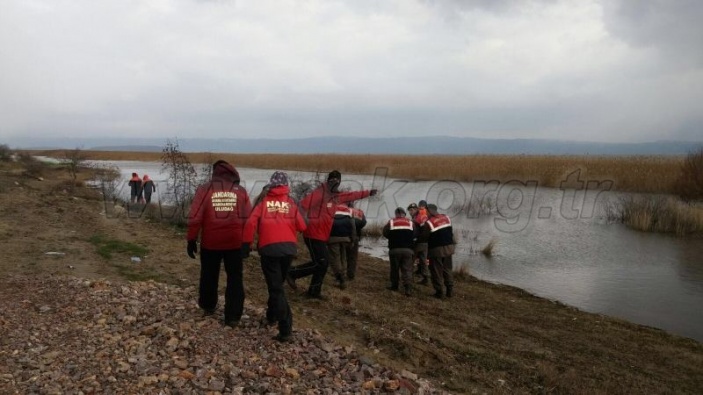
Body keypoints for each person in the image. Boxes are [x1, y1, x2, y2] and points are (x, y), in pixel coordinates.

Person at [286, 170, 377, 299]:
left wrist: (368, 193)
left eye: (337, 181)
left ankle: (314, 292)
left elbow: (352, 195)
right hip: (312, 233)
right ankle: (292, 273)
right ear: (328, 181)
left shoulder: (336, 197)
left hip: (322, 235)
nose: (335, 183)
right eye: (332, 180)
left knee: (322, 263)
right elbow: (302, 205)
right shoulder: (319, 193)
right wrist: (305, 221)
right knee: (322, 262)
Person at [186, 160, 251, 327]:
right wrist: (247, 242)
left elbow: (195, 217)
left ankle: (208, 305)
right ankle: (233, 316)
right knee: (235, 278)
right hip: (234, 243)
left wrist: (191, 239)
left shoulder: (205, 189)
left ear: (215, 173)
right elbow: (248, 219)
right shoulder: (241, 191)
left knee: (209, 274)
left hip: (211, 243)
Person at [243, 171, 306, 343]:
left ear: (271, 185)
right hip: (289, 250)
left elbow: (250, 223)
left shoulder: (263, 203)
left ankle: (285, 329)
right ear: (286, 186)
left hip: (269, 250)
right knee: (277, 285)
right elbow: (302, 225)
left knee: (276, 288)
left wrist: (246, 244)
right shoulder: (291, 203)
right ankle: (272, 315)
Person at [420, 204, 456, 299]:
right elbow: (450, 232)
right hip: (449, 248)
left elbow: (424, 237)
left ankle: (439, 292)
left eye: (425, 211)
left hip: (436, 250)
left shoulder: (429, 223)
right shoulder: (447, 218)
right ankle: (449, 290)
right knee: (447, 269)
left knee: (436, 271)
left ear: (429, 211)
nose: (425, 213)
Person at [382, 207, 417, 296]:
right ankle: (408, 288)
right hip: (408, 250)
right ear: (404, 214)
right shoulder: (411, 222)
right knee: (407, 269)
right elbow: (415, 234)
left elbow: (385, 233)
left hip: (394, 249)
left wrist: (393, 237)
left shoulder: (391, 222)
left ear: (396, 214)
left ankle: (394, 286)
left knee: (394, 269)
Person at [328, 204, 355, 289]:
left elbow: (326, 224)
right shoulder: (348, 210)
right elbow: (353, 227)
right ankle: (343, 274)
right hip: (345, 238)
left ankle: (339, 278)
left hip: (333, 238)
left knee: (334, 258)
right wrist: (352, 239)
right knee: (343, 257)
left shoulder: (331, 208)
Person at [408, 202, 430, 285]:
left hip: (419, 242)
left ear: (416, 209)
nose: (411, 211)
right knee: (423, 261)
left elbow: (423, 230)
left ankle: (409, 278)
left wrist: (416, 239)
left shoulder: (419, 217)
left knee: (411, 259)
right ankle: (425, 278)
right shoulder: (420, 216)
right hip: (425, 242)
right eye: (410, 210)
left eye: (412, 210)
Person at [346, 202, 367, 281]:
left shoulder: (342, 210)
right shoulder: (359, 212)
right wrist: (357, 228)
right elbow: (364, 222)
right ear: (353, 204)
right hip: (356, 237)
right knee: (353, 257)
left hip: (343, 235)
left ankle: (341, 273)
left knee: (342, 255)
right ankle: (351, 275)